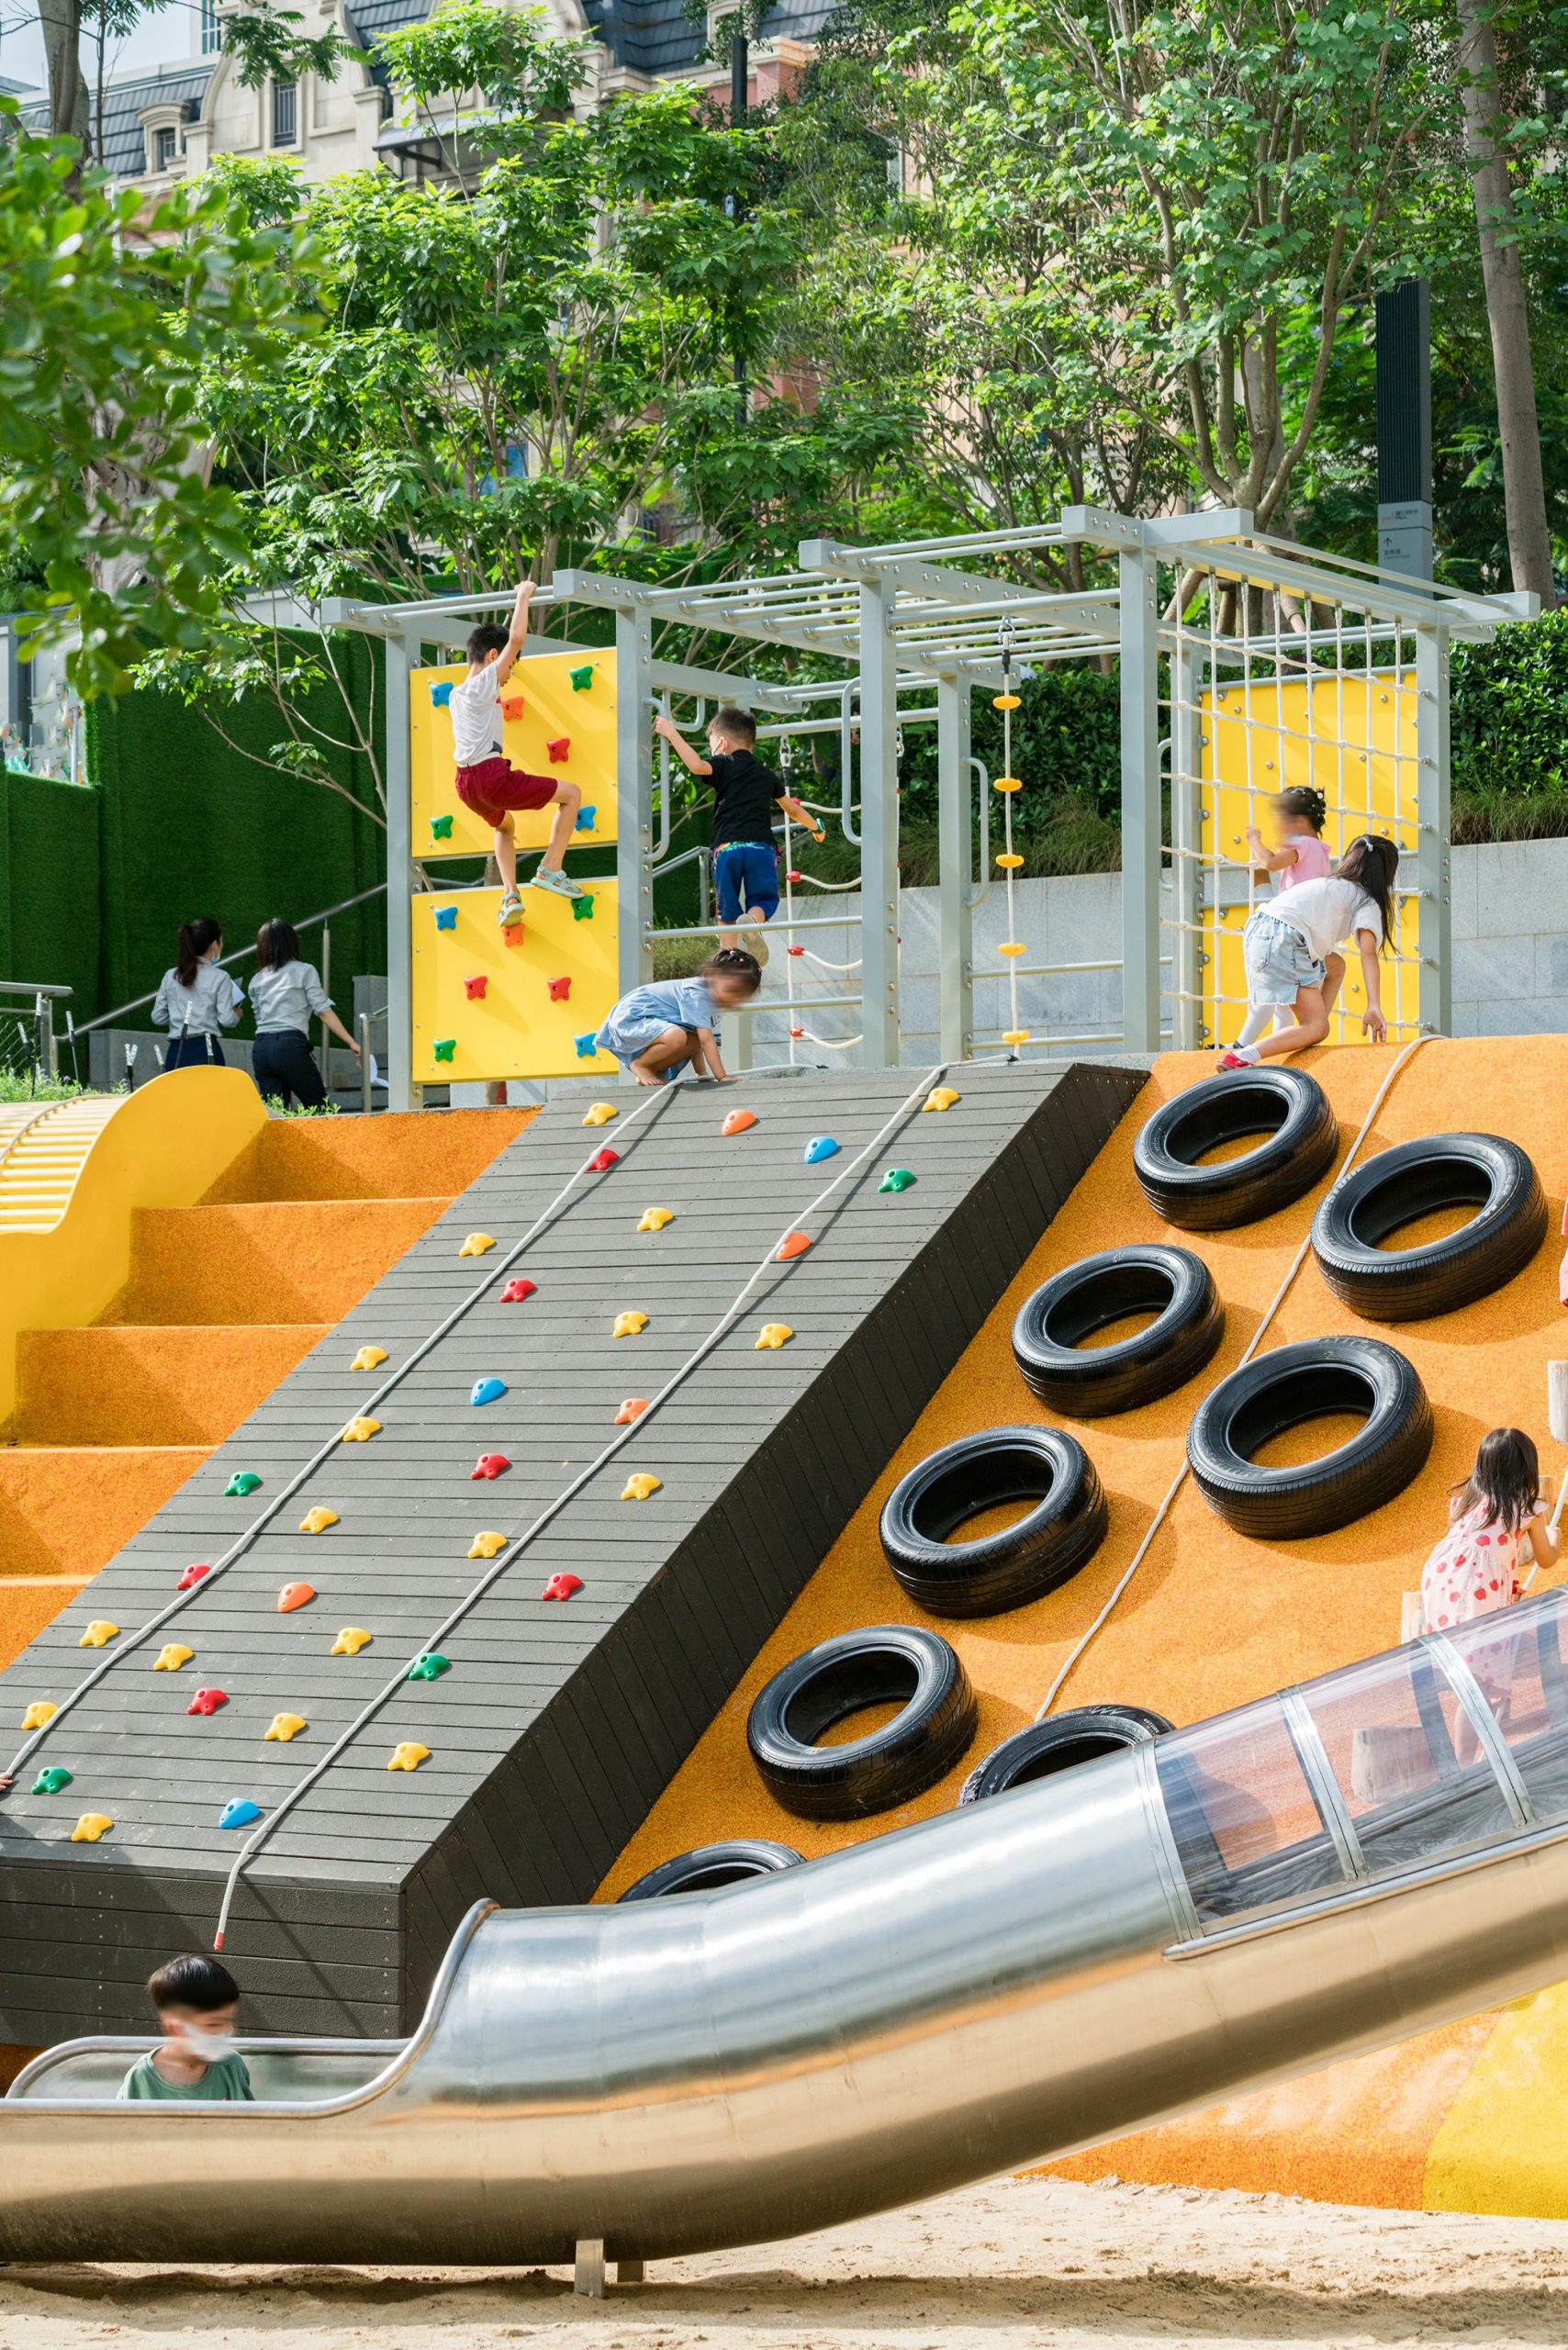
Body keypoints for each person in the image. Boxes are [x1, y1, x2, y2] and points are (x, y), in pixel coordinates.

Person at [449, 580, 586, 924]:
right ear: (494, 658)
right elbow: (517, 640)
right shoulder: (483, 684)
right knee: (572, 793)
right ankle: (550, 868)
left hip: (465, 784)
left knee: (505, 827)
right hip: (489, 776)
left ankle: (511, 894)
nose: (509, 676)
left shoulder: (458, 693)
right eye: (509, 668)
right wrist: (523, 597)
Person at [653, 704, 823, 966]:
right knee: (764, 900)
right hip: (761, 849)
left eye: (712, 746)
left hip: (727, 848)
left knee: (727, 910)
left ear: (721, 742)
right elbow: (791, 809)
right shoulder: (766, 774)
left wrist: (671, 732)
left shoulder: (722, 764)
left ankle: (728, 960)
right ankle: (753, 921)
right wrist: (815, 828)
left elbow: (697, 766)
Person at [1220, 833, 1396, 1068]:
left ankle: (1311, 1030)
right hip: (1285, 939)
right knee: (1318, 1027)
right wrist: (1373, 1004)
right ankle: (1244, 1055)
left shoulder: (1329, 884)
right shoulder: (1366, 900)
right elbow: (1368, 952)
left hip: (1259, 931)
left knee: (1336, 966)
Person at [1422, 1429, 1559, 1639]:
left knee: (1450, 1636)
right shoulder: (1526, 1508)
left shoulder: (1466, 1500)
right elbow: (1546, 1558)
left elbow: (1478, 1553)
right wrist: (1554, 1535)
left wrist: (1507, 1588)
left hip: (1440, 1571)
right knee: (1481, 1642)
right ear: (1527, 1468)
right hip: (1480, 1580)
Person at [594, 948, 762, 1086]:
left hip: (649, 1022)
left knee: (691, 1037)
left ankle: (650, 1069)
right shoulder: (698, 994)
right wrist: (722, 1076)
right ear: (714, 978)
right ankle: (641, 1065)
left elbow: (698, 1042)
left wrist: (701, 1075)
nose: (735, 999)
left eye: (741, 995)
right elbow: (707, 1041)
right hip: (632, 1018)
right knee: (677, 1036)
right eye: (732, 991)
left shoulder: (710, 1000)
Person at [248, 918, 361, 1111]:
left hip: (261, 1050)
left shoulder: (257, 979)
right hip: (289, 1046)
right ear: (291, 941)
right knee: (319, 1109)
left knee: (276, 1117)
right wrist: (351, 1042)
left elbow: (259, 1015)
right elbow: (323, 1011)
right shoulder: (304, 970)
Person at [117, 1953, 254, 2102]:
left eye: (229, 2020)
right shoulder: (141, 2078)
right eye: (214, 2024)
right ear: (176, 2028)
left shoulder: (231, 2066)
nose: (228, 2029)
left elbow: (251, 2122)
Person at [151, 918, 244, 1069]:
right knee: (210, 1093)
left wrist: (178, 1016)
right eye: (221, 941)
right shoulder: (220, 977)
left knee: (179, 1093)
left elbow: (157, 1017)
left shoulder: (171, 975)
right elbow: (227, 1019)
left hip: (176, 1050)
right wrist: (237, 1015)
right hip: (206, 1049)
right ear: (214, 945)